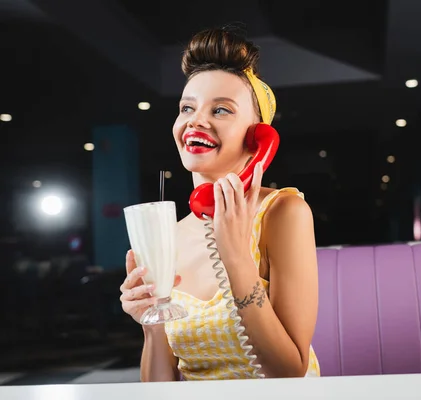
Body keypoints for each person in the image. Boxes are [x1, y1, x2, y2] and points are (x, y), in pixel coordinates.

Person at [119, 25, 320, 381]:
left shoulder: (283, 213)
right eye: (187, 107)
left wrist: (236, 257)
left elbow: (289, 372)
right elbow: (158, 391)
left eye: (222, 110)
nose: (196, 120)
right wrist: (150, 324)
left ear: (258, 137)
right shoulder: (171, 235)